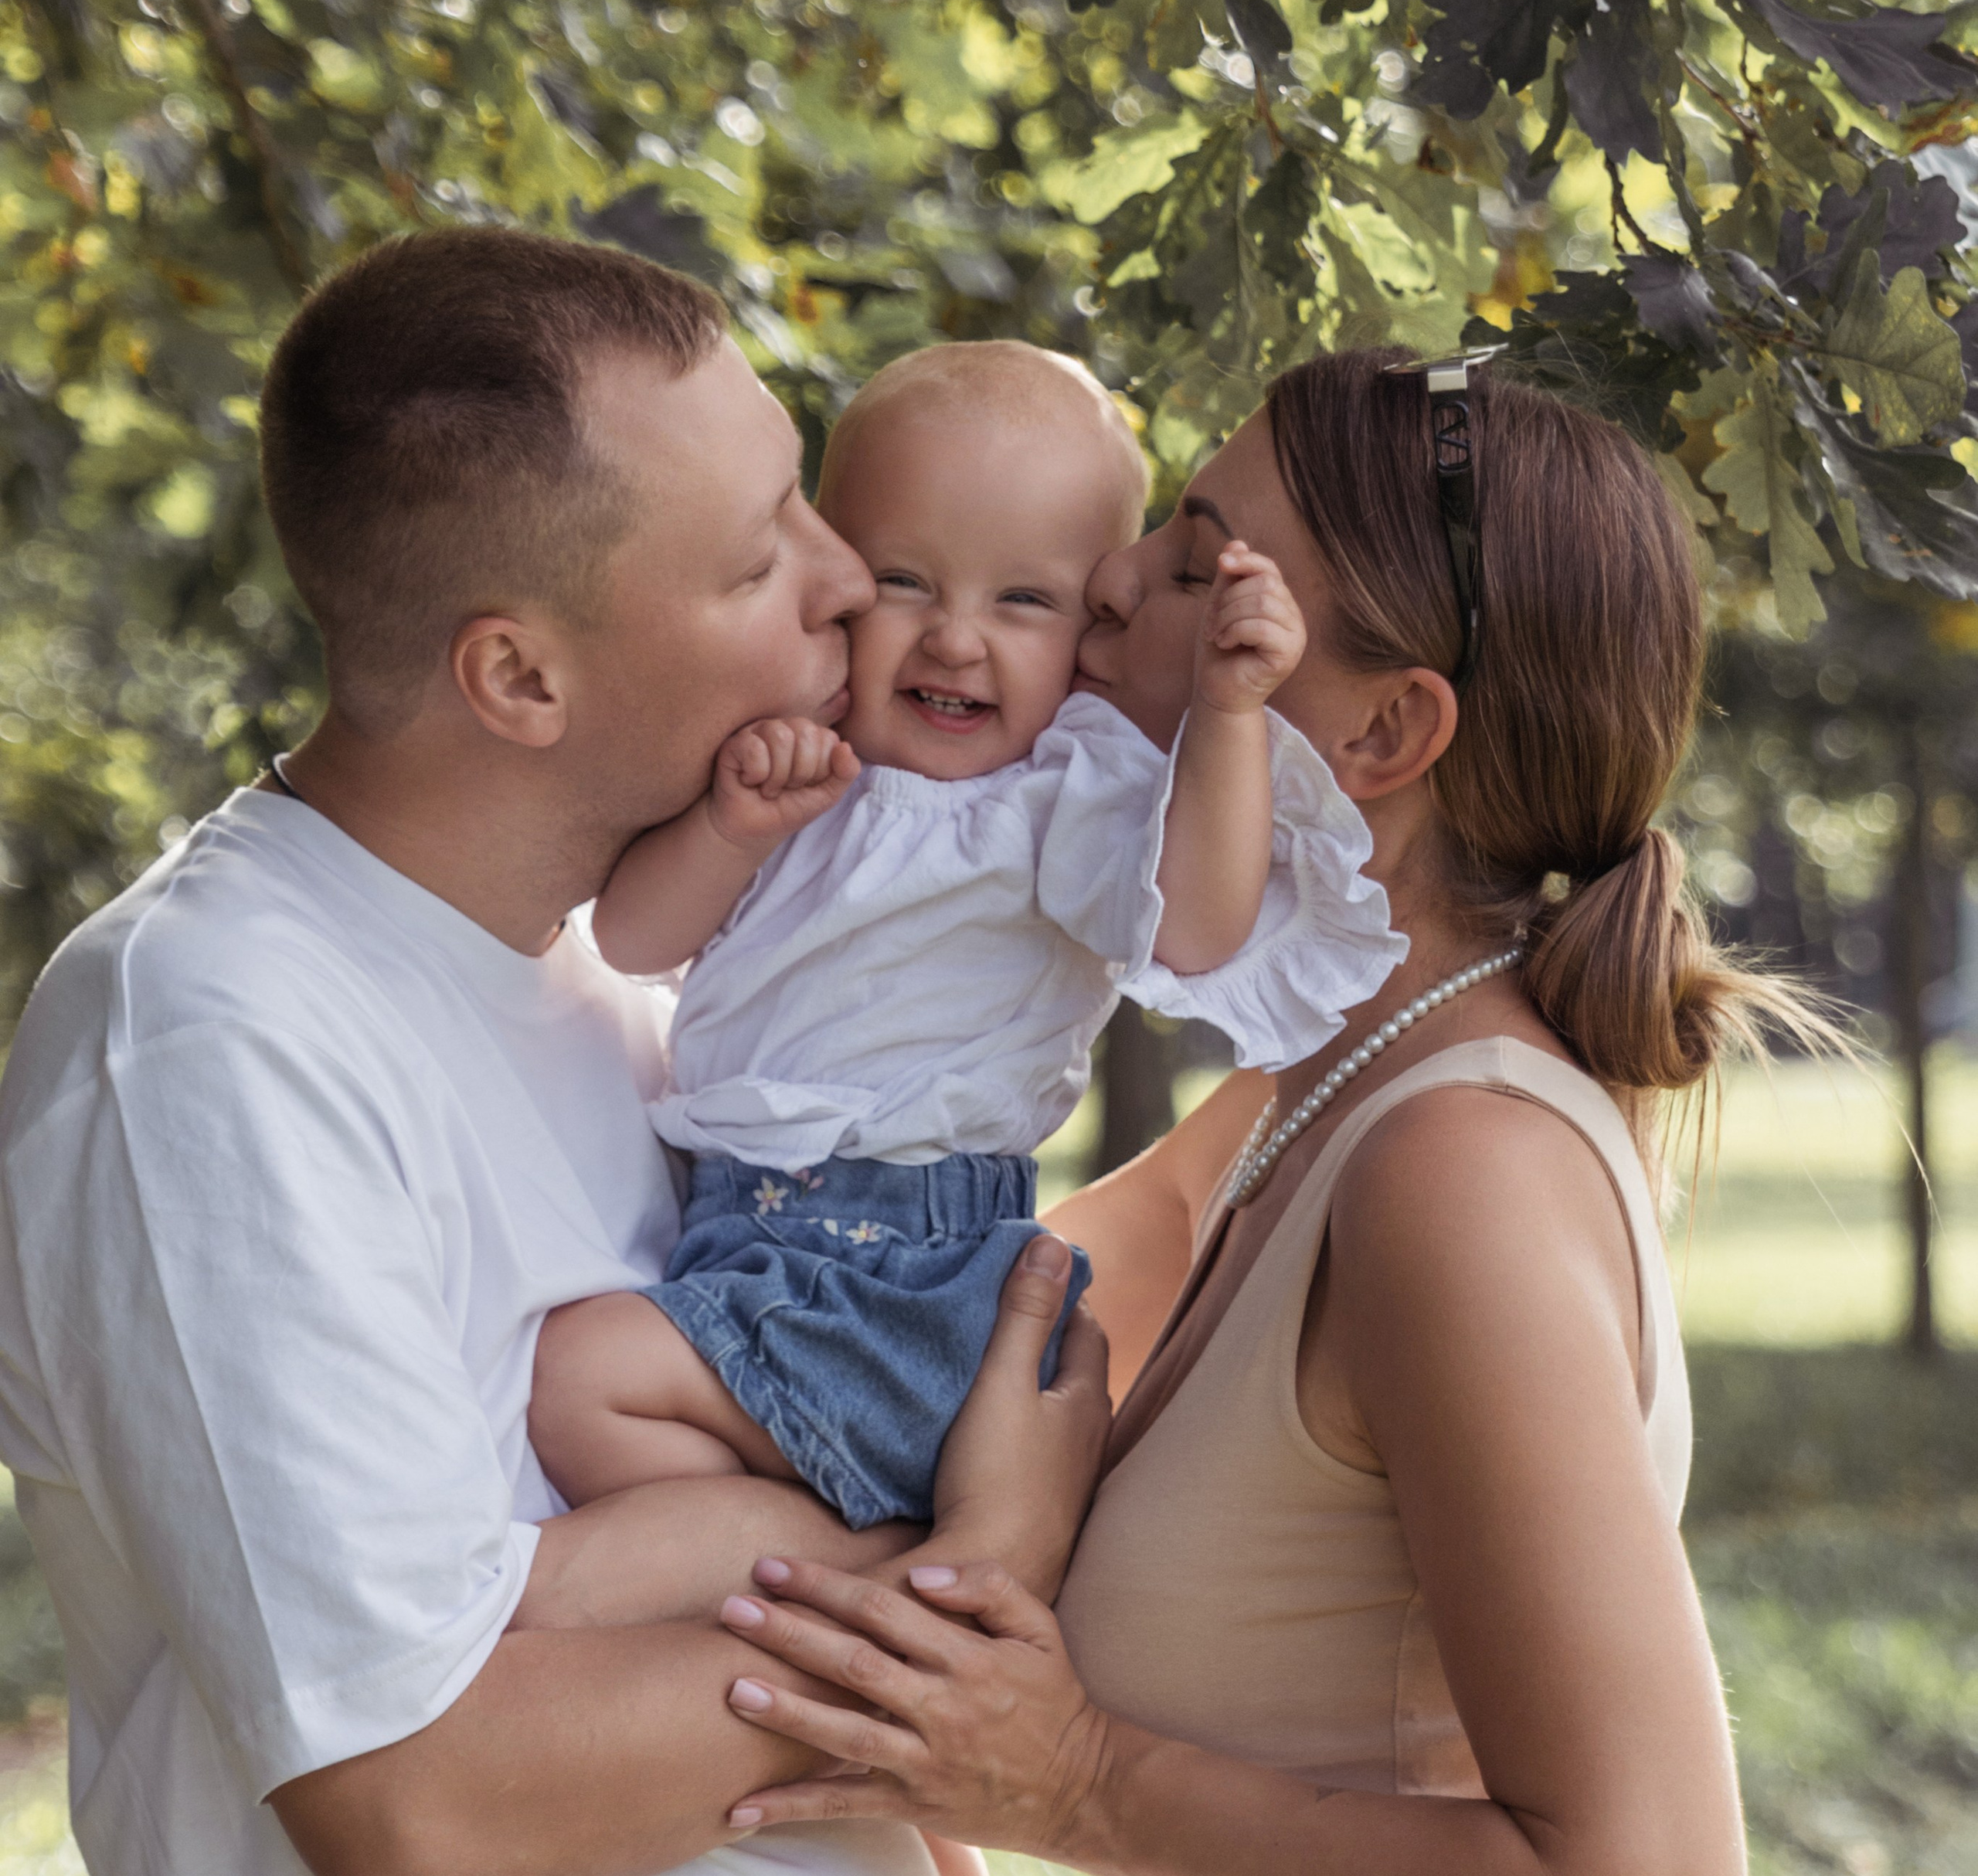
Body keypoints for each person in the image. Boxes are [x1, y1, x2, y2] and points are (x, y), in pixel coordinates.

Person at [0, 229, 1110, 1876]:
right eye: (754, 562)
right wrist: (973, 1572)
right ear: (517, 672)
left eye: (808, 499)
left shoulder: (646, 961)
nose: (842, 582)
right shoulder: (208, 1046)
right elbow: (422, 1801)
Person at [697, 348, 1810, 1876]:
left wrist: (1071, 1778)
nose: (1099, 585)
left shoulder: (1454, 1171)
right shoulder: (1313, 1094)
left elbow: (1647, 1858)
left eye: (1188, 564)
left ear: (1377, 737)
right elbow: (909, 1306)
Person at [528, 343, 1404, 1536]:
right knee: (593, 1394)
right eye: (905, 582)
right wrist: (733, 827)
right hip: (742, 1237)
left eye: (1023, 601)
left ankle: (810, 1572)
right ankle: (834, 1564)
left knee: (581, 1381)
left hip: (915, 1272)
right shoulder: (792, 757)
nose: (953, 638)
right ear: (836, 575)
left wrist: (1229, 715)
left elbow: (1197, 931)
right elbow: (629, 940)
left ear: (1090, 621)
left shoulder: (1066, 794)